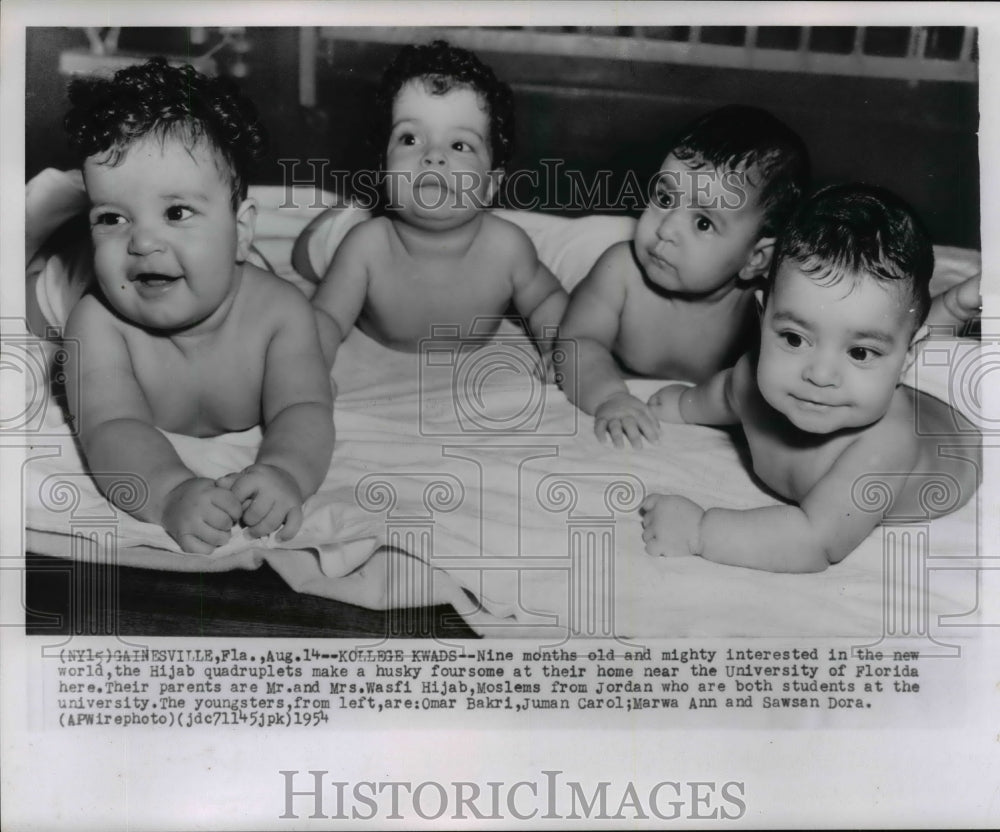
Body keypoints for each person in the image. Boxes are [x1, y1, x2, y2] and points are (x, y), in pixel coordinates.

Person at [63, 58, 335, 555]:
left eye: (176, 212)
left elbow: (306, 408)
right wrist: (168, 492)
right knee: (43, 289)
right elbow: (110, 428)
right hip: (65, 287)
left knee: (322, 347)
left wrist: (286, 472)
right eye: (111, 217)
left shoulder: (279, 316)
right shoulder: (98, 324)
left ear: (242, 230)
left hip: (251, 281)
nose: (143, 240)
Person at [640, 184, 980, 573]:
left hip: (958, 441)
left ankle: (948, 310)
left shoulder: (883, 448)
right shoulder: (751, 378)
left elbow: (815, 541)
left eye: (859, 352)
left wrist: (700, 531)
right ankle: (931, 319)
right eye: (794, 338)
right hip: (886, 373)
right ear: (763, 317)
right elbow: (723, 395)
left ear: (905, 363)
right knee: (881, 330)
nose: (818, 375)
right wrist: (684, 405)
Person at [556, 106, 810, 448]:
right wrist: (608, 396)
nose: (665, 228)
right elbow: (578, 342)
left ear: (755, 258)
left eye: (703, 222)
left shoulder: (758, 312)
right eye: (664, 197)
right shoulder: (621, 274)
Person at [311, 40, 567, 365]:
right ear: (383, 168)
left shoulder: (508, 248)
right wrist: (311, 366)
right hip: (348, 230)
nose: (433, 156)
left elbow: (547, 299)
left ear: (491, 185)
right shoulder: (367, 245)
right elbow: (326, 318)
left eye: (460, 145)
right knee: (316, 250)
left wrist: (558, 348)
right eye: (410, 139)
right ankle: (339, 216)